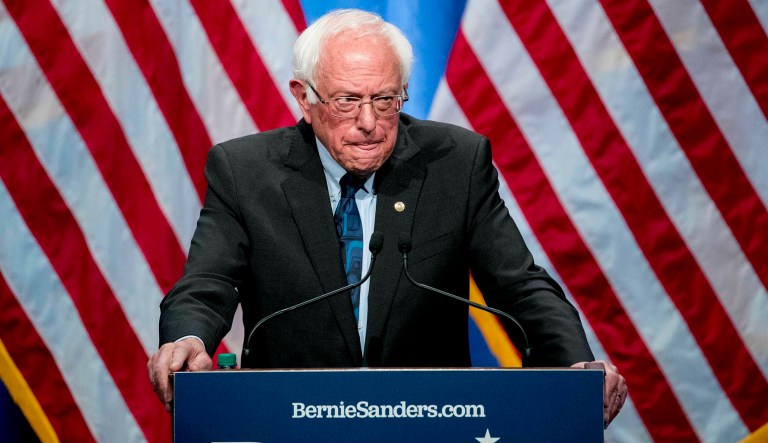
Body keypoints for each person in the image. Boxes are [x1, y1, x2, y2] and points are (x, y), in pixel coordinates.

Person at [148, 8, 627, 425]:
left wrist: (574, 365)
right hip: (289, 418)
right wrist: (189, 338)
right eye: (348, 100)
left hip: (432, 420)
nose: (369, 122)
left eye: (385, 100)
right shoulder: (246, 171)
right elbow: (206, 284)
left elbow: (520, 285)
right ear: (303, 97)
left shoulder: (454, 163)